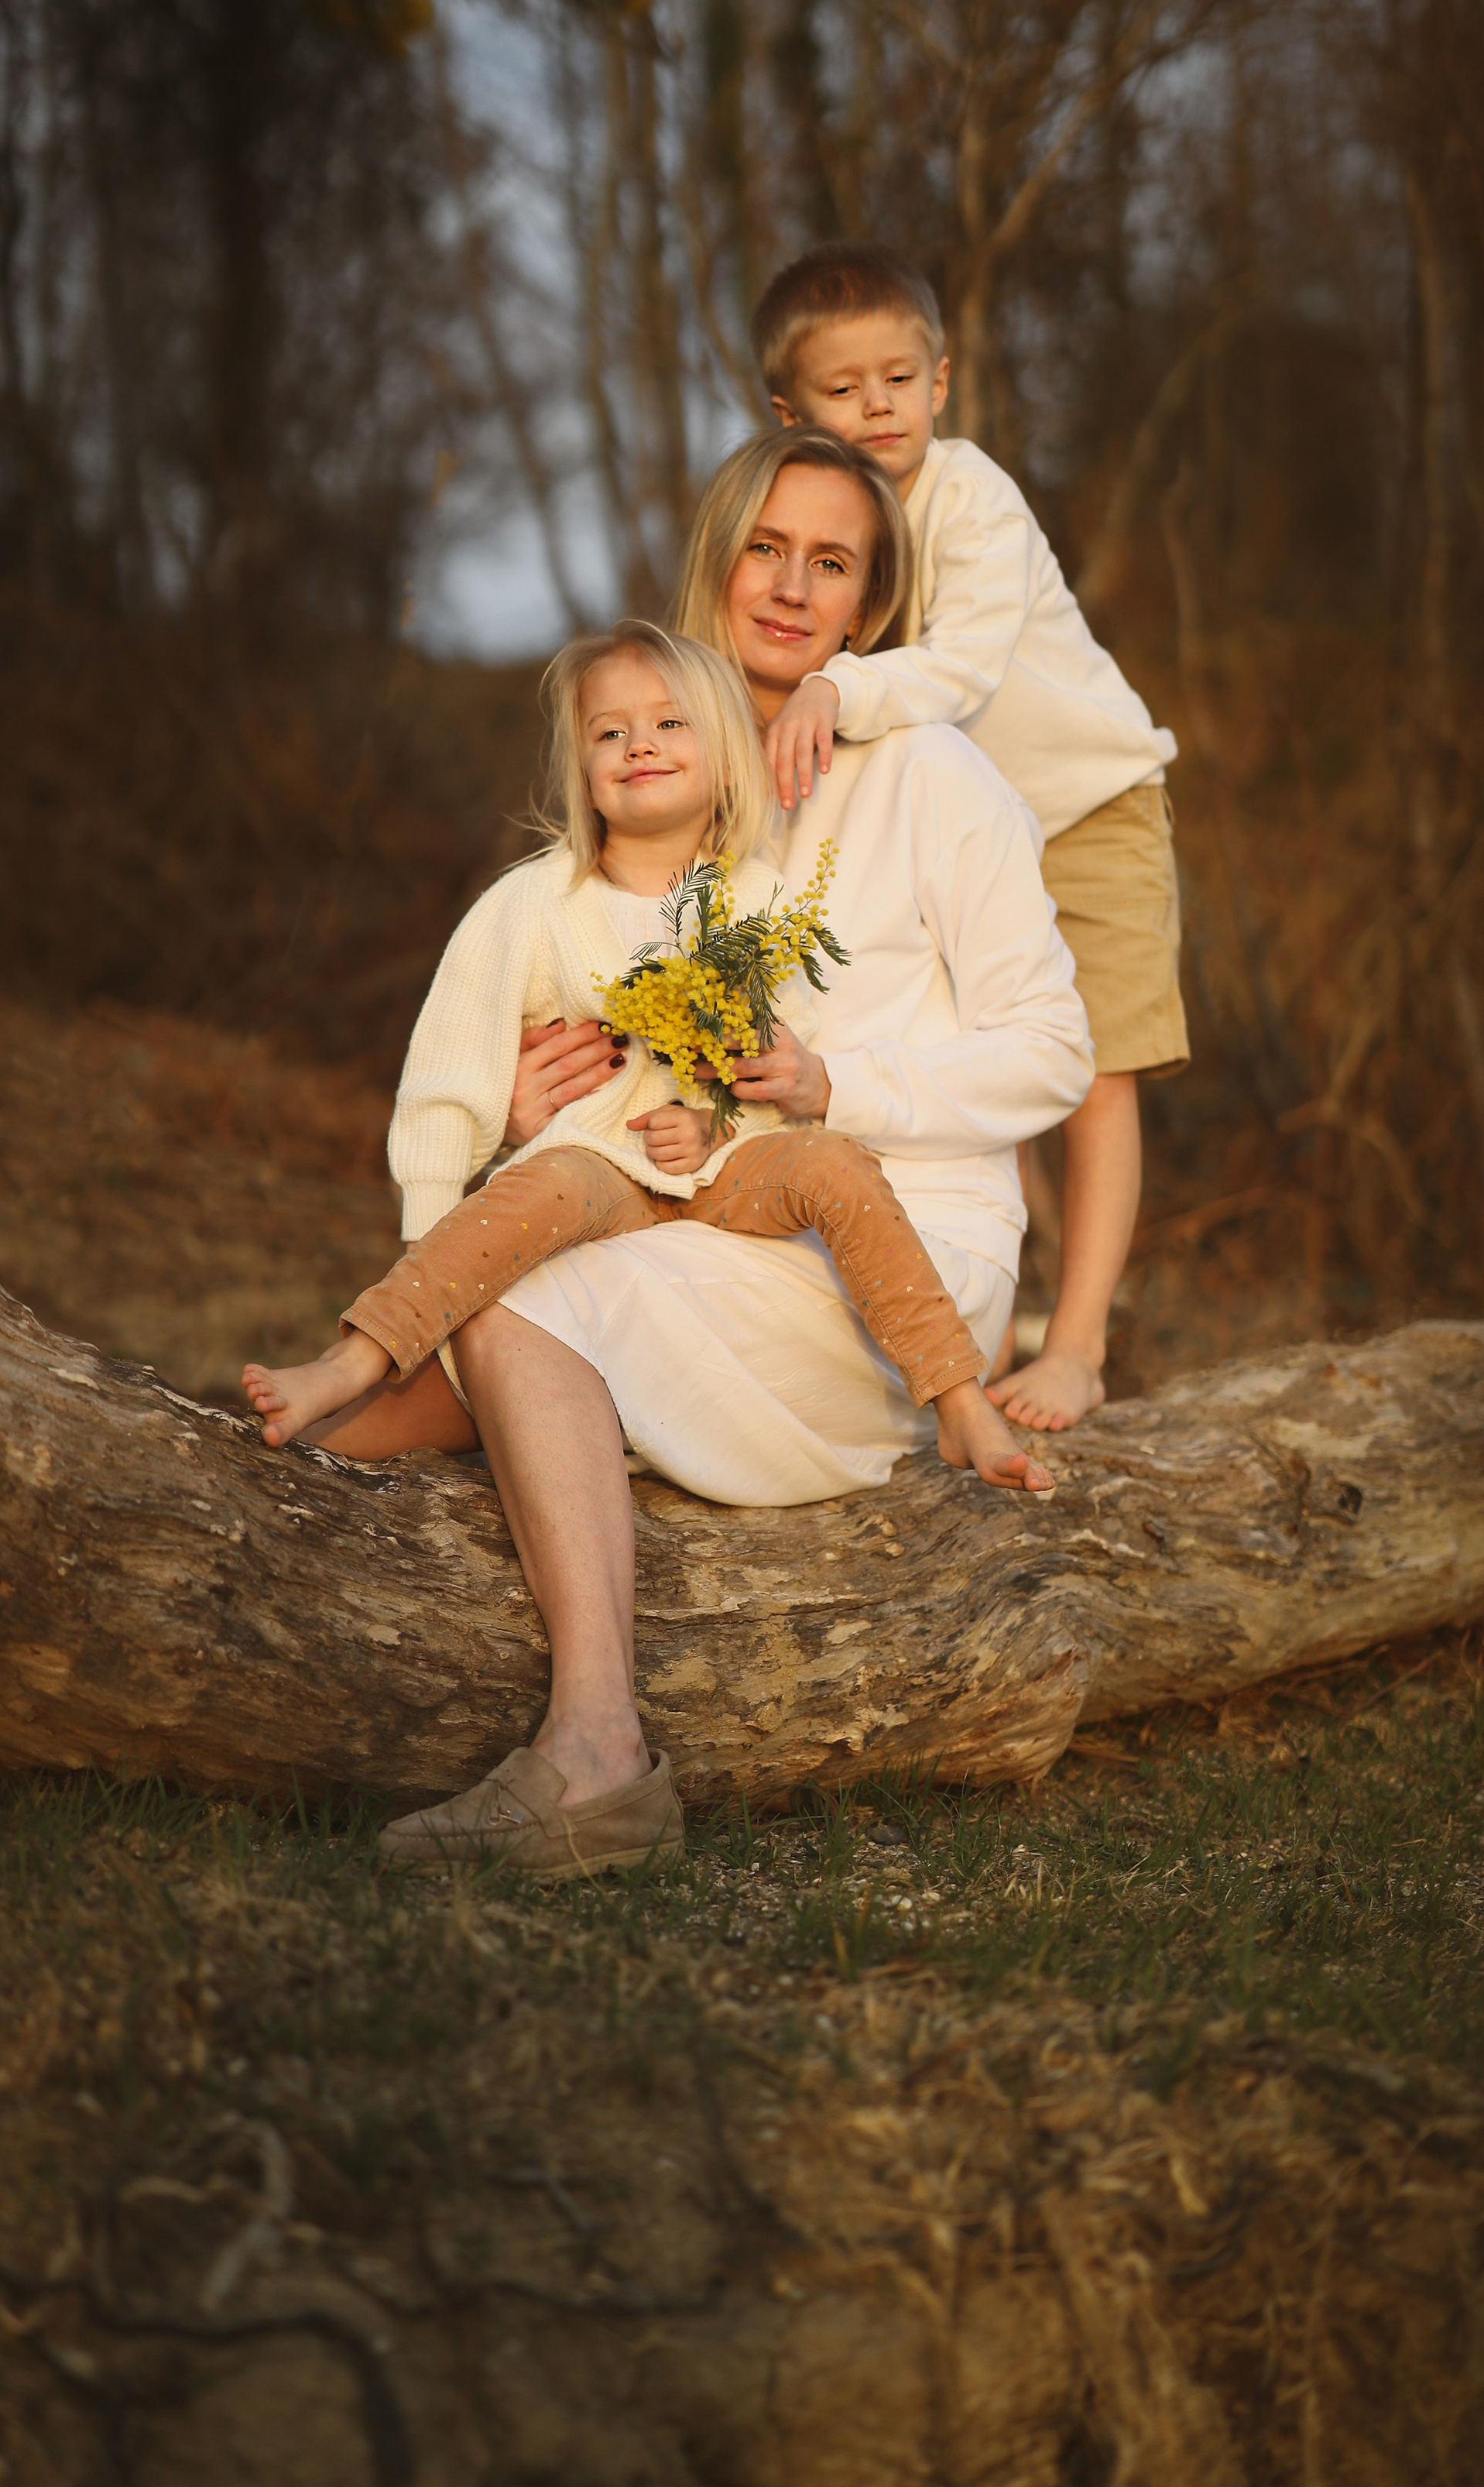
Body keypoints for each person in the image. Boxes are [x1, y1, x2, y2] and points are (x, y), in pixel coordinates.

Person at [347, 428, 1092, 1878]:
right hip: (691, 1207)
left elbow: (1056, 1048)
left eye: (834, 564)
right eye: (767, 548)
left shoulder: (933, 777)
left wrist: (840, 1082)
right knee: (469, 1323)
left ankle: (595, 1757)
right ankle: (270, 1470)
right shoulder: (665, 752)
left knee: (505, 1309)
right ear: (718, 560)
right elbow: (594, 1005)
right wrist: (522, 1103)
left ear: (870, 610)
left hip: (893, 1251)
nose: (792, 588)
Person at [242, 618, 1044, 1494]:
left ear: (724, 755)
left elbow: (779, 1059)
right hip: (598, 1171)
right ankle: (354, 1360)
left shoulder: (758, 899)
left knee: (835, 1163)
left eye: (669, 725)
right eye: (609, 732)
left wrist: (711, 1126)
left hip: (725, 1174)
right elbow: (447, 1080)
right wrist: (426, 1236)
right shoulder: (532, 905)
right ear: (582, 773)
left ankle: (958, 1397)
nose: (639, 747)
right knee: (539, 1188)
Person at [753, 242, 1188, 1432]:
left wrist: (836, 688)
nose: (878, 406)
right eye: (845, 390)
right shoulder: (827, 520)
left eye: (901, 377)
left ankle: (1084, 1345)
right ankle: (984, 1322)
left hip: (1085, 806)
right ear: (792, 411)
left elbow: (961, 668)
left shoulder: (972, 495)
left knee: (1092, 1072)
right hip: (970, 831)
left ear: (941, 384)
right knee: (976, 1073)